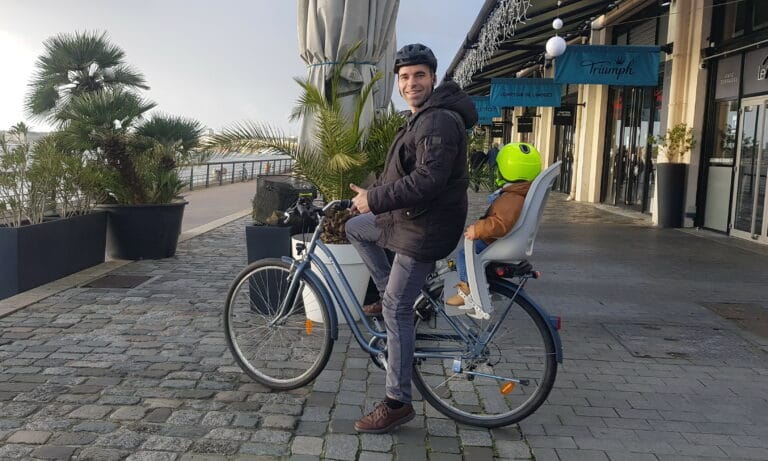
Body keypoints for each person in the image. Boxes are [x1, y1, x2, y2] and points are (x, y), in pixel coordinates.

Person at [345, 43, 477, 434]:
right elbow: (400, 173)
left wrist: (374, 200)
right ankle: (397, 291)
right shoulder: (422, 117)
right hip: (413, 218)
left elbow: (427, 181)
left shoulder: (437, 122)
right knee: (356, 228)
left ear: (433, 78)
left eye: (419, 75)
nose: (410, 83)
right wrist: (368, 196)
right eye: (404, 77)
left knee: (395, 309)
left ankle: (397, 402)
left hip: (425, 228)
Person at [446, 142, 542, 307]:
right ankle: (483, 284)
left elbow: (501, 223)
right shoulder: (519, 192)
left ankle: (467, 290)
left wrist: (478, 229)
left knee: (464, 254)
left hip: (495, 242)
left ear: (506, 170)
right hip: (505, 240)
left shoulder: (512, 198)